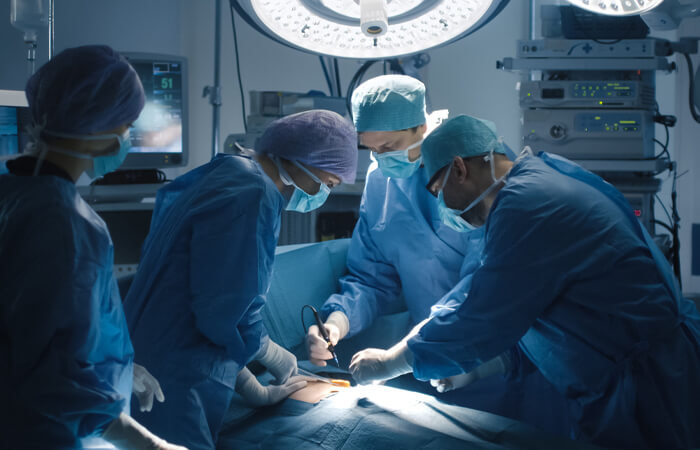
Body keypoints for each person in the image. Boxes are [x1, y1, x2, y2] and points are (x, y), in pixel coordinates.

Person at [351, 114, 700, 449]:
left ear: (459, 169)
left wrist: (389, 363)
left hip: (648, 386)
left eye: (438, 189)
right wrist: (479, 368)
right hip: (630, 375)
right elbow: (537, 309)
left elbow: (479, 319)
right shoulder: (533, 183)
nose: (441, 204)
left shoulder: (528, 207)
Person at [305, 75, 570, 434]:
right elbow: (372, 275)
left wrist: (400, 359)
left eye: (391, 145)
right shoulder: (382, 180)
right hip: (430, 363)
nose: (382, 159)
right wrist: (338, 321)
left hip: (501, 357)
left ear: (423, 125)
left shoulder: (483, 173)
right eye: (372, 149)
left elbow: (482, 290)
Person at [123, 109, 358, 450]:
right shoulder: (253, 193)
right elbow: (223, 310)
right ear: (302, 160)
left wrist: (251, 386)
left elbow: (204, 298)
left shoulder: (227, 172)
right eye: (330, 182)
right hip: (175, 380)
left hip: (154, 359)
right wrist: (270, 352)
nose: (327, 192)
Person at [0, 45, 185, 449]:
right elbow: (51, 372)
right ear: (99, 129)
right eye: (125, 126)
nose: (125, 138)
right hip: (46, 432)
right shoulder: (66, 225)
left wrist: (118, 367)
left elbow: (38, 332)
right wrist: (146, 442)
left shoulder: (13, 195)